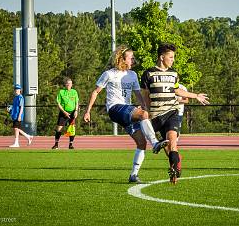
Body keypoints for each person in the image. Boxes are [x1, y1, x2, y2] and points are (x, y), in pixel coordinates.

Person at [83, 45, 168, 184]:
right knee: (142, 115)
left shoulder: (132, 75)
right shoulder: (109, 74)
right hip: (115, 109)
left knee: (141, 143)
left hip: (126, 110)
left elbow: (137, 93)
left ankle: (133, 175)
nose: (133, 60)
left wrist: (145, 106)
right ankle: (155, 143)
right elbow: (95, 92)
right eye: (131, 58)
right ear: (122, 59)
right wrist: (87, 111)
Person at [140, 43, 209, 184]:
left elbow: (177, 91)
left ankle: (174, 172)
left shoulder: (174, 74)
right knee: (167, 147)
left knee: (172, 142)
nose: (173, 60)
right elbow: (145, 94)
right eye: (170, 57)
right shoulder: (148, 73)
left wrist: (195, 96)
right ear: (161, 57)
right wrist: (147, 110)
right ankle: (175, 162)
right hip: (155, 116)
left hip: (172, 112)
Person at [52, 77, 79, 150]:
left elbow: (77, 102)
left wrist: (76, 111)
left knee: (72, 129)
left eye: (70, 83)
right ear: (65, 84)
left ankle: (70, 144)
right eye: (67, 84)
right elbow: (58, 103)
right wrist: (64, 112)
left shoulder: (74, 92)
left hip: (72, 112)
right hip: (63, 113)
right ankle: (56, 144)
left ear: (72, 84)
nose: (69, 85)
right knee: (59, 129)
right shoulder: (61, 92)